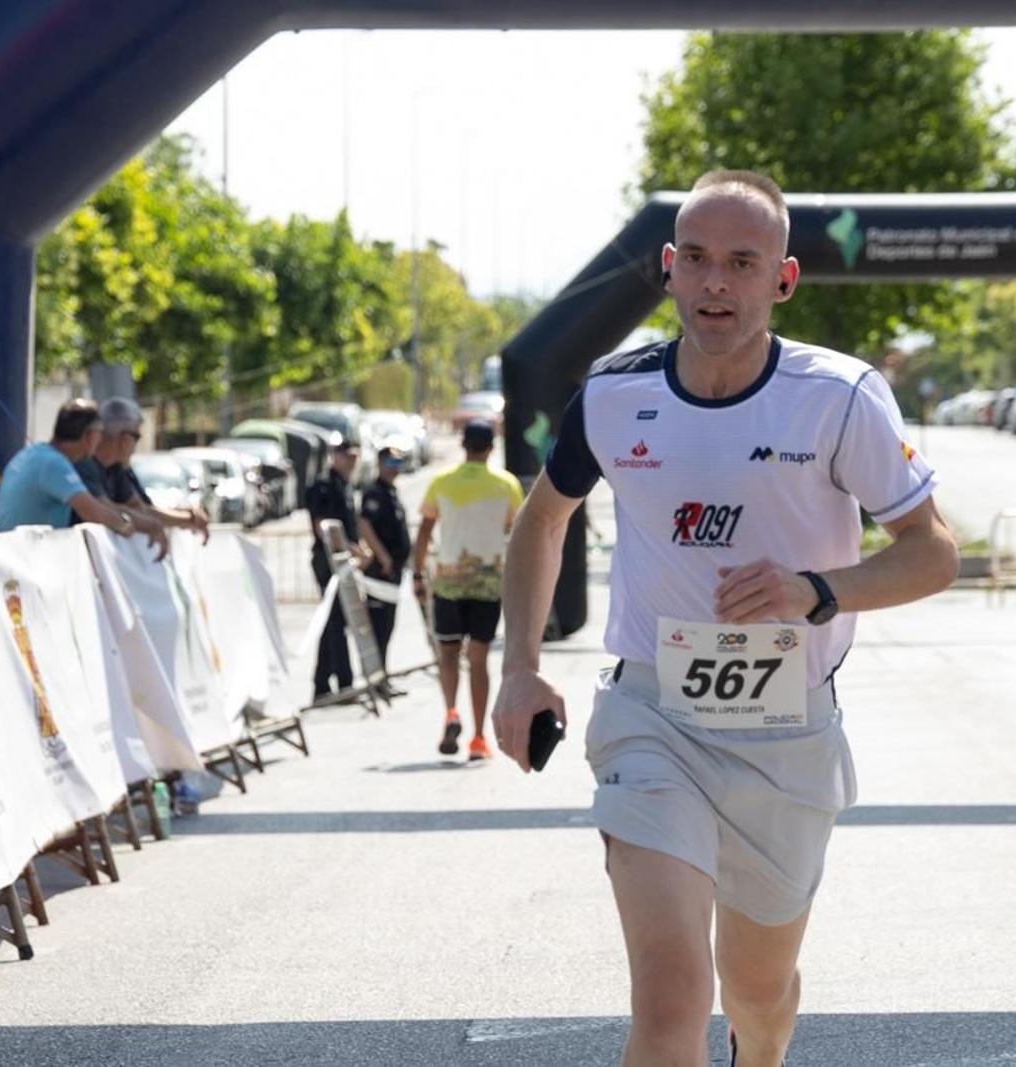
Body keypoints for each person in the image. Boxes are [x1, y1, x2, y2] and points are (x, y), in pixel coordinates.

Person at [491, 170, 958, 1067]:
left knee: (758, 993)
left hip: (786, 727)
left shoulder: (840, 397)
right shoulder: (615, 392)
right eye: (696, 259)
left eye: (742, 263)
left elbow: (933, 550)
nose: (715, 282)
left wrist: (816, 590)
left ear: (781, 280)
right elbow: (542, 518)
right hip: (651, 716)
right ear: (667, 270)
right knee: (671, 996)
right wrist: (520, 663)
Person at [411, 419, 523, 762]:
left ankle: (450, 713)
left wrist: (417, 574)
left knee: (447, 653)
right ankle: (477, 738)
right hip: (488, 584)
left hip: (447, 582)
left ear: (463, 445)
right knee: (478, 659)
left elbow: (426, 530)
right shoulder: (506, 485)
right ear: (491, 447)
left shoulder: (442, 482)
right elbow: (516, 531)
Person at [76, 397, 211, 560]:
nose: (136, 446)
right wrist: (159, 524)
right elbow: (103, 509)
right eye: (137, 437)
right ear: (125, 438)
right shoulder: (85, 464)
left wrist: (187, 517)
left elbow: (141, 509)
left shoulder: (115, 467)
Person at [0, 398, 140, 539]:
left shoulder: (32, 453)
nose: (101, 440)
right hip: (27, 556)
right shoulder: (54, 463)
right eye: (101, 434)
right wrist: (125, 525)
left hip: (13, 552)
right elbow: (92, 511)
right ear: (90, 436)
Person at [306, 438, 370, 701]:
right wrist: (354, 549)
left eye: (355, 458)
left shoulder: (345, 486)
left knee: (336, 622)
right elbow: (323, 527)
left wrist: (359, 548)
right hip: (328, 561)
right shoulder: (323, 486)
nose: (352, 463)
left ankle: (323, 683)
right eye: (348, 457)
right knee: (334, 622)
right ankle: (343, 682)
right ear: (336, 456)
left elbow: (350, 525)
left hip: (344, 561)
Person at [358, 442, 412, 684]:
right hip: (381, 570)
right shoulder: (374, 492)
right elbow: (365, 525)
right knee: (378, 626)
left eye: (398, 463)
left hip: (394, 570)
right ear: (379, 464)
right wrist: (383, 557)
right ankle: (376, 678)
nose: (394, 468)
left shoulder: (391, 492)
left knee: (388, 625)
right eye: (390, 463)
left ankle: (383, 676)